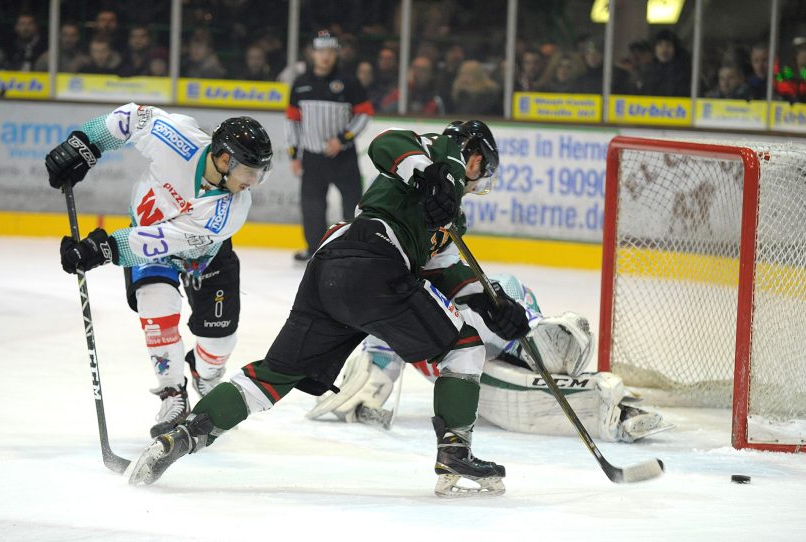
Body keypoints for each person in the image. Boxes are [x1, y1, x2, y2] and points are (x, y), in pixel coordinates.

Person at [128, 120, 532, 498]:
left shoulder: (446, 216)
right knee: (464, 347)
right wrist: (433, 173)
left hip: (330, 268)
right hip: (376, 262)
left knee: (276, 373)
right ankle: (454, 453)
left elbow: (445, 268)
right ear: (476, 157)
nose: (476, 183)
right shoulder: (444, 155)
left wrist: (491, 303)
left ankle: (182, 437)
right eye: (482, 173)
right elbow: (385, 143)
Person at [45, 103, 273, 438]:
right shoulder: (177, 138)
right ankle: (172, 393)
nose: (252, 181)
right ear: (224, 160)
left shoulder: (232, 210)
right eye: (248, 172)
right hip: (151, 248)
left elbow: (161, 240)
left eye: (259, 173)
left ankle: (205, 374)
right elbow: (131, 117)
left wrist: (102, 248)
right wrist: (86, 145)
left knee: (218, 339)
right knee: (157, 308)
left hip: (203, 258)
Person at [307, 273, 672, 444]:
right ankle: (614, 411)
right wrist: (369, 391)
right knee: (524, 395)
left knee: (525, 379)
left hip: (488, 348)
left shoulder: (426, 298)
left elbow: (508, 293)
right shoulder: (390, 319)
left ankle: (550, 352)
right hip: (470, 367)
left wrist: (523, 325)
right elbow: (382, 355)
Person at [286, 30, 374, 261]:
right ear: (313, 53)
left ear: (336, 54)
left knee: (352, 203)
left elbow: (364, 114)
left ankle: (352, 247)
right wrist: (294, 156)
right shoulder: (301, 83)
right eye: (321, 51)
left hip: (343, 157)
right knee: (312, 206)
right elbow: (293, 121)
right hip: (313, 157)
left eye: (330, 51)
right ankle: (315, 249)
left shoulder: (349, 81)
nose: (325, 56)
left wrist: (342, 139)